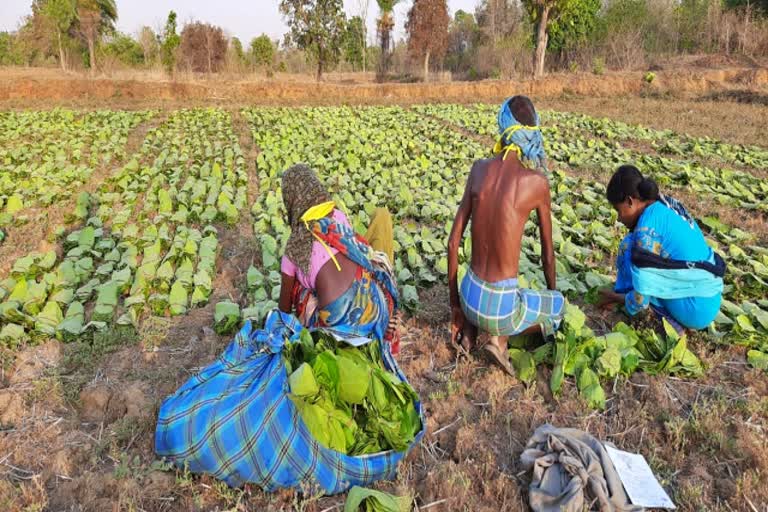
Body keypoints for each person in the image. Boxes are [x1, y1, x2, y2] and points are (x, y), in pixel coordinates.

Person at [447, 96, 565, 375]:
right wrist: (552, 291)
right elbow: (547, 255)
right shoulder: (536, 183)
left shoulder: (478, 170)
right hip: (500, 310)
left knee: (487, 291)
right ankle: (499, 341)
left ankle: (471, 331)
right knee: (558, 307)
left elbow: (453, 243)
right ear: (532, 132)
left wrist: (455, 307)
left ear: (502, 125)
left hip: (467, 296)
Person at [277, 164, 401, 353]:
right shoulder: (338, 216)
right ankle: (385, 332)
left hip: (337, 335)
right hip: (377, 314)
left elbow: (283, 311)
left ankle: (325, 332)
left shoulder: (293, 250)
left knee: (299, 288)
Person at [597, 165, 724, 332]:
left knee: (628, 248)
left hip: (695, 307)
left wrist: (620, 299)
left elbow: (641, 300)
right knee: (633, 245)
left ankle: (672, 325)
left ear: (630, 201)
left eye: (618, 211)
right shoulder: (664, 202)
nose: (619, 218)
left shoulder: (646, 230)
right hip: (710, 296)